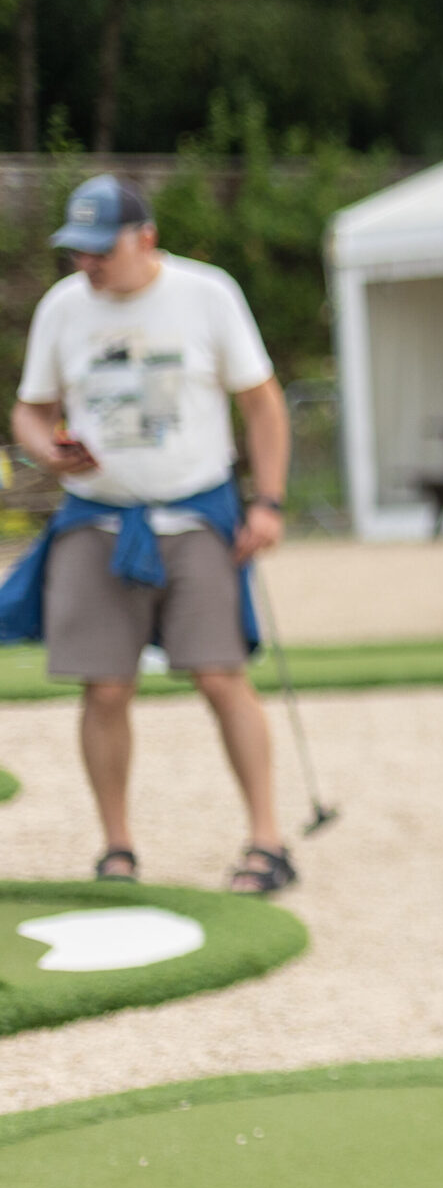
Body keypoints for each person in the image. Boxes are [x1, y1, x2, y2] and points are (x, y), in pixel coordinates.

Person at [2, 174, 296, 894]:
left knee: (220, 674)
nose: (89, 264)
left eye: (102, 249)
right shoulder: (63, 308)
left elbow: (262, 404)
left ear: (146, 238)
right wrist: (48, 448)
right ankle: (118, 847)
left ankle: (267, 840)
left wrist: (269, 502)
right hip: (93, 515)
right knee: (104, 688)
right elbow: (30, 411)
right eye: (78, 251)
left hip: (194, 512)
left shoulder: (208, 294)